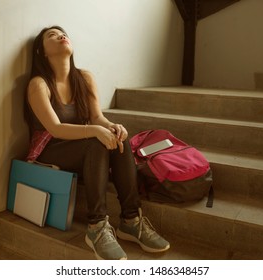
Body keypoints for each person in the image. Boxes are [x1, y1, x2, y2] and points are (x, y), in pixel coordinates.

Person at [24, 25, 170, 260]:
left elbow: (96, 117)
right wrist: (95, 131)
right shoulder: (38, 84)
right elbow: (55, 128)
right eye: (52, 35)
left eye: (63, 33)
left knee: (119, 139)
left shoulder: (84, 77)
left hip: (81, 148)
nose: (61, 36)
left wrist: (112, 127)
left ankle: (131, 220)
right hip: (49, 150)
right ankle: (97, 228)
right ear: (42, 52)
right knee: (96, 142)